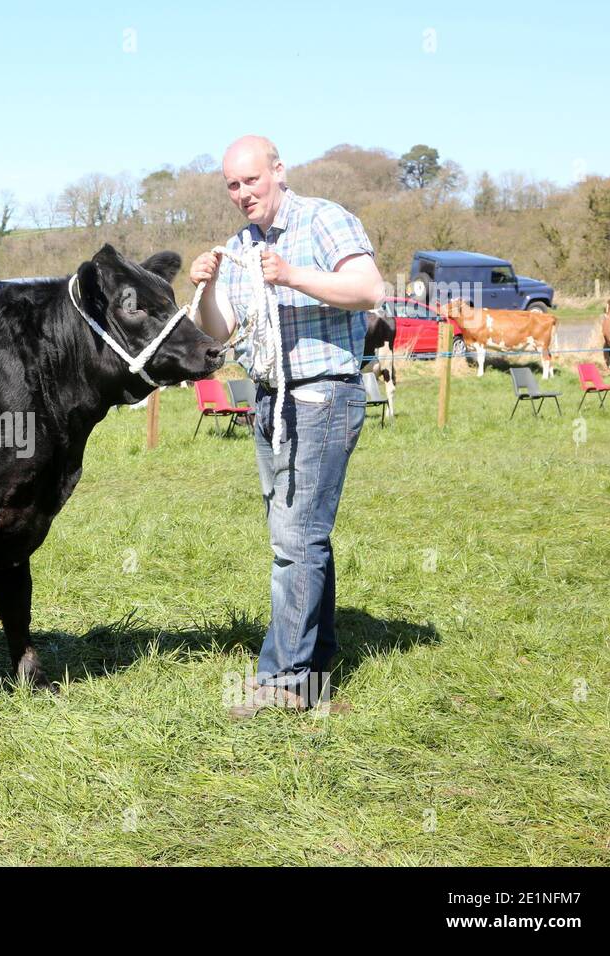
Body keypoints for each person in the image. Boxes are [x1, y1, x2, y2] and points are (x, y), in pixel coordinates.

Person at [189, 135, 385, 718]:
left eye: (251, 180)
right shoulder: (239, 246)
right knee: (300, 536)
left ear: (278, 171)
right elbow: (218, 330)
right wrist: (203, 287)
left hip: (323, 394)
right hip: (272, 399)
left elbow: (369, 288)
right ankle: (316, 664)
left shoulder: (324, 220)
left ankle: (285, 681)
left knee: (295, 540)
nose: (243, 193)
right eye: (232, 185)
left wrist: (294, 275)